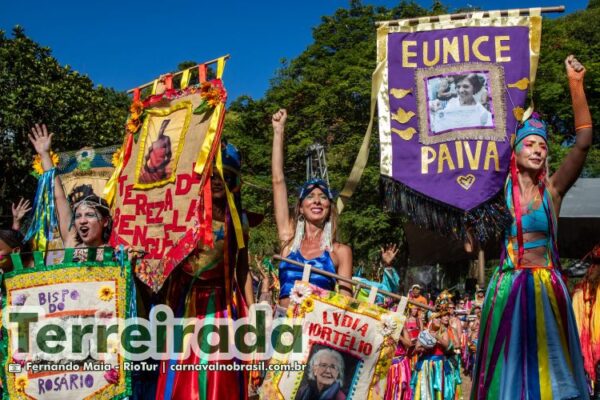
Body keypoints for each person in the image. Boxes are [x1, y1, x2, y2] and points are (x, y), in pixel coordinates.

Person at [471, 55, 592, 399]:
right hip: (507, 289)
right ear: (515, 149)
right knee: (506, 375)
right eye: (531, 144)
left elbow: (583, 142)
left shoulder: (552, 191)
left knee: (554, 374)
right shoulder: (497, 193)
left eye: (543, 145)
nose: (538, 150)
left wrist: (576, 85)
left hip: (546, 288)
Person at [156, 141, 252, 400]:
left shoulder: (239, 221)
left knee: (218, 369)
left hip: (221, 306)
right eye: (213, 175)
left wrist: (251, 314)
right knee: (181, 365)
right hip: (186, 305)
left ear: (234, 181)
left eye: (225, 176)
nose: (219, 181)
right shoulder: (187, 215)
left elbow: (242, 271)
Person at [271, 109, 352, 310]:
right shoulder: (288, 240)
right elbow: (278, 181)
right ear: (300, 207)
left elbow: (345, 303)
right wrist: (278, 131)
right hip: (284, 329)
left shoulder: (341, 252)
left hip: (319, 334)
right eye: (310, 196)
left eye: (323, 197)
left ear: (329, 208)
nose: (317, 201)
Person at [29, 124, 113, 259]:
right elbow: (58, 198)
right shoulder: (71, 243)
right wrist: (44, 154)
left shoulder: (114, 253)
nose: (83, 221)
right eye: (78, 216)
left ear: (105, 221)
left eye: (90, 215)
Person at [139, 119, 173, 184]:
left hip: (160, 169)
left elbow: (169, 156)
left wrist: (160, 166)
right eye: (161, 127)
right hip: (150, 171)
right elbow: (146, 157)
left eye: (164, 127)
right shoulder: (153, 143)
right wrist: (147, 168)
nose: (161, 129)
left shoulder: (166, 139)